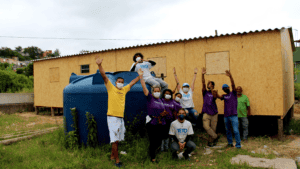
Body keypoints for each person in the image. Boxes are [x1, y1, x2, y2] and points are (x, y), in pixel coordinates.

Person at [96, 58, 142, 168]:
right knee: (115, 140)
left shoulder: (124, 90)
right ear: (115, 82)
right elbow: (104, 77)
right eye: (119, 82)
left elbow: (132, 82)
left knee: (117, 140)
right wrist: (99, 65)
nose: (120, 83)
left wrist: (139, 76)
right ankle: (117, 160)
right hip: (112, 118)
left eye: (122, 82)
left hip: (120, 118)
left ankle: (112, 156)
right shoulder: (111, 88)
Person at [140, 69, 168, 163]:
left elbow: (162, 110)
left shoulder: (160, 100)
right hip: (152, 123)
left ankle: (154, 153)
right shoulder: (150, 98)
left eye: (158, 91)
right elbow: (144, 88)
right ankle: (152, 158)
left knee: (159, 140)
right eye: (155, 91)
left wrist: (163, 113)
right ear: (152, 91)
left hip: (160, 122)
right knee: (153, 141)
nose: (157, 92)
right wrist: (141, 77)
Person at [219, 70, 241, 149]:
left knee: (235, 130)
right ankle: (230, 143)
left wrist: (230, 76)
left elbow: (233, 84)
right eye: (224, 88)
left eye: (226, 87)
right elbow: (218, 97)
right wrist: (215, 93)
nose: (225, 89)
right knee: (228, 130)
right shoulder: (224, 96)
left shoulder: (233, 93)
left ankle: (238, 145)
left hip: (234, 115)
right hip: (226, 116)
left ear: (229, 87)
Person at [201, 67, 221, 147]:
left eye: (210, 84)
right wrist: (202, 75)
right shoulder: (205, 92)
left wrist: (212, 88)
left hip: (214, 113)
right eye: (208, 84)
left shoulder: (214, 92)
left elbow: (215, 96)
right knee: (206, 126)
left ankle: (210, 142)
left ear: (212, 85)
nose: (208, 85)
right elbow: (203, 83)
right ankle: (216, 137)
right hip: (206, 112)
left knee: (213, 129)